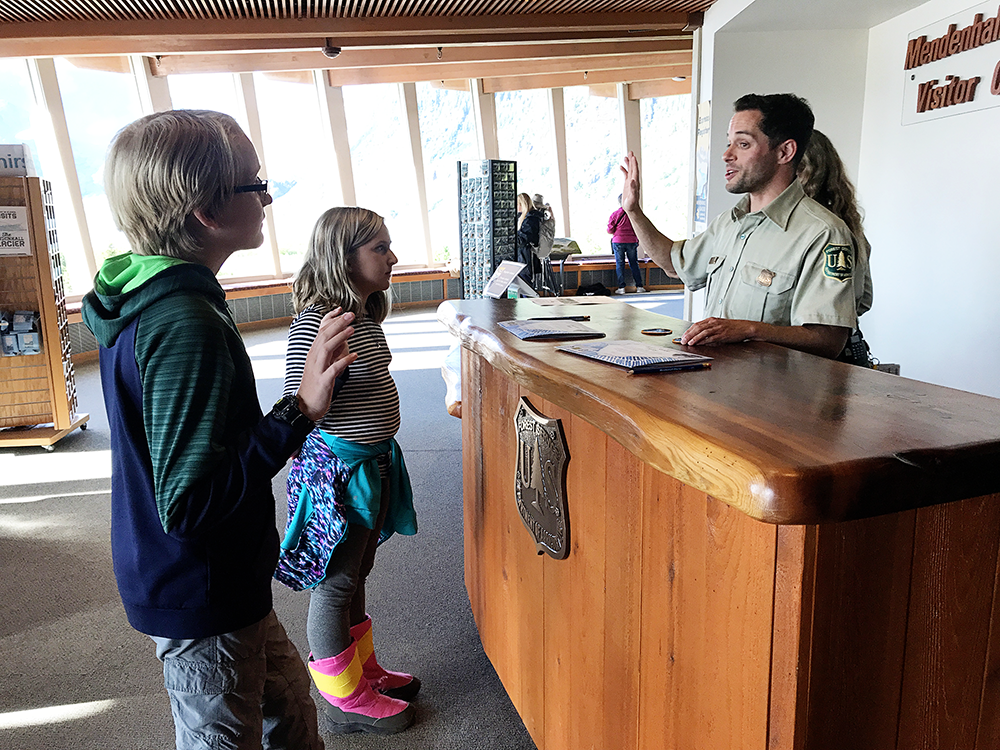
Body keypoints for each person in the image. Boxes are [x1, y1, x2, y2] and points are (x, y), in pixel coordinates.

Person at [81, 110, 357, 750]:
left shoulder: (155, 294)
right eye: (253, 184)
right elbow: (191, 503)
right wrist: (301, 410)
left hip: (221, 581)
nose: (264, 197)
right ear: (206, 209)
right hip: (201, 587)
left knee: (290, 713)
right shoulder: (184, 322)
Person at [276, 207, 419, 735]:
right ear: (344, 255)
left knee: (358, 572)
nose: (392, 257)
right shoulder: (320, 320)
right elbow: (301, 399)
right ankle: (343, 694)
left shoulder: (360, 316)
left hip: (371, 465)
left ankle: (362, 672)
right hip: (339, 477)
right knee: (336, 583)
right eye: (380, 248)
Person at [620, 93, 858, 359]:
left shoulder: (823, 233)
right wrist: (633, 210)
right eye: (729, 143)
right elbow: (674, 264)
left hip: (778, 396)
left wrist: (750, 330)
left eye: (743, 144)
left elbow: (829, 340)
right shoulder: (729, 223)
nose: (726, 155)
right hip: (716, 386)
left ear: (784, 152)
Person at [607, 193, 645, 294]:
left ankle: (621, 287)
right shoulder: (634, 214)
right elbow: (639, 227)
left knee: (620, 264)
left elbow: (610, 230)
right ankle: (639, 286)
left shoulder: (615, 214)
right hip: (632, 241)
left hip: (618, 241)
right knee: (634, 263)